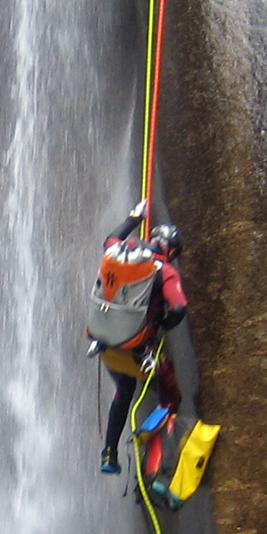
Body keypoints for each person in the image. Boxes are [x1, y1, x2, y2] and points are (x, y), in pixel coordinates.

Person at [91, 199, 186, 474]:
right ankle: (157, 460)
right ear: (169, 248)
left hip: (105, 346)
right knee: (170, 397)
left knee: (124, 390)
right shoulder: (165, 271)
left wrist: (135, 217)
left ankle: (109, 454)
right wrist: (162, 324)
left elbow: (109, 239)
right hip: (138, 353)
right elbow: (179, 307)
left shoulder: (119, 253)